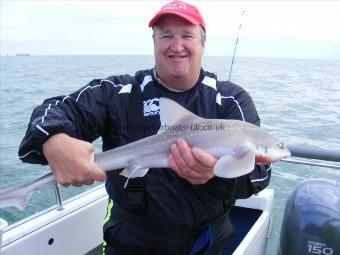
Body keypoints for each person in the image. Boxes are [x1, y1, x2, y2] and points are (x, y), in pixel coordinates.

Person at [18, 1, 271, 254]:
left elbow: (259, 174)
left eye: (187, 35)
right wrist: (54, 140)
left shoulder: (229, 100)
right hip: (129, 242)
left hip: (205, 244)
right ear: (154, 43)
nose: (177, 45)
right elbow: (54, 110)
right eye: (167, 36)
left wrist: (214, 175)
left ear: (202, 43)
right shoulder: (119, 93)